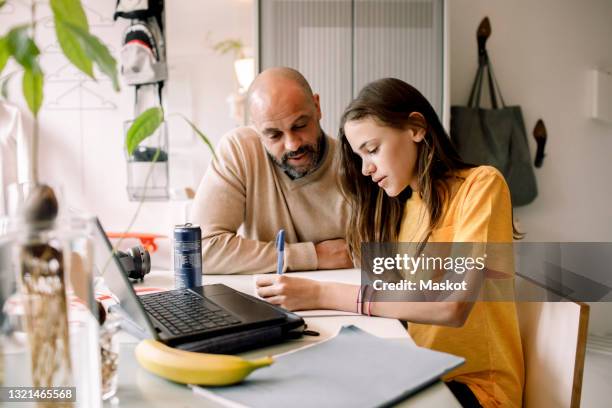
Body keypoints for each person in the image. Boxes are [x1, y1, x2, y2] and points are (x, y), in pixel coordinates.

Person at [256, 78, 524, 407]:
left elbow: (451, 306)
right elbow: (392, 301)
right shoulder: (402, 207)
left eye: (372, 150)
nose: (366, 169)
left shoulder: (481, 186)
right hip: (419, 370)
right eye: (359, 157)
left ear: (415, 128)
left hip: (476, 387)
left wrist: (321, 293)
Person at [191, 67, 352, 274]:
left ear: (317, 107)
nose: (292, 144)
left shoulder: (359, 167)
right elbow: (198, 251)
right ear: (256, 128)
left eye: (300, 125)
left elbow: (388, 256)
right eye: (274, 135)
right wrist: (314, 256)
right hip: (263, 299)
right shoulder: (240, 150)